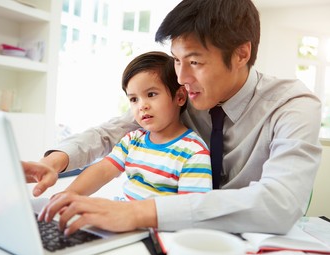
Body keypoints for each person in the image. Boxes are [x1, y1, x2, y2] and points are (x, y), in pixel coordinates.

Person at [25, 0, 322, 236]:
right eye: (177, 60)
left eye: (194, 61)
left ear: (241, 53)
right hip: (175, 239)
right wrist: (58, 159)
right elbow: (116, 129)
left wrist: (138, 212)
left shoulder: (293, 105)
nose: (181, 77)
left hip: (252, 245)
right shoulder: (186, 94)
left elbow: (281, 204)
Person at [39, 51, 212, 208]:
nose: (142, 106)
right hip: (124, 224)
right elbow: (103, 170)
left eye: (151, 94)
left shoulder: (194, 152)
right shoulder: (133, 140)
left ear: (180, 96)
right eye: (134, 99)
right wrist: (70, 194)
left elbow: (191, 211)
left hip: (158, 232)